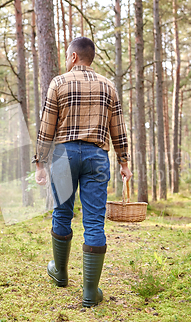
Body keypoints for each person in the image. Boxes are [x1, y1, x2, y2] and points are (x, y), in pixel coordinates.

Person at [32, 36, 132, 307]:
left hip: (64, 155)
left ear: (74, 57)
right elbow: (118, 128)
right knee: (94, 222)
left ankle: (60, 273)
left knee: (62, 212)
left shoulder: (59, 83)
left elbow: (46, 127)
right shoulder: (108, 86)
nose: (66, 59)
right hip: (97, 157)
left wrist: (40, 163)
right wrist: (124, 162)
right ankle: (90, 292)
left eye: (67, 55)